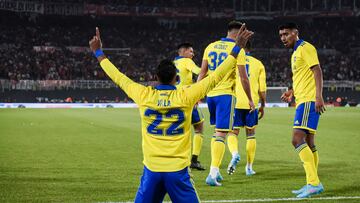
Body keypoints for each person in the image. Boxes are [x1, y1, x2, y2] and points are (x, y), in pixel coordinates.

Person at [89, 26, 253, 202]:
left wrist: (98, 52)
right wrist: (237, 48)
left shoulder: (144, 95)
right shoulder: (187, 95)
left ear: (155, 77)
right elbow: (215, 76)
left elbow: (118, 77)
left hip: (152, 170)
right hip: (178, 172)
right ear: (176, 78)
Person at [197, 21, 255, 186]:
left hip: (210, 95)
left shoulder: (211, 46)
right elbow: (244, 78)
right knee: (222, 134)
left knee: (217, 133)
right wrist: (250, 99)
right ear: (239, 34)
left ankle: (216, 172)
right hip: (225, 95)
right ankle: (213, 173)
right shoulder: (238, 50)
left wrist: (197, 94)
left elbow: (202, 73)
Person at [279, 23, 325, 198]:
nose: (283, 38)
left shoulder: (306, 48)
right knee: (310, 142)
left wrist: (318, 96)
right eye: (281, 35)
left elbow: (317, 70)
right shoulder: (295, 53)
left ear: (295, 33)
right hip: (302, 99)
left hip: (308, 101)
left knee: (296, 139)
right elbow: (302, 76)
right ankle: (311, 182)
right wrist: (292, 91)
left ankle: (314, 183)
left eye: (286, 34)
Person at [226, 41, 267, 176]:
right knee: (251, 134)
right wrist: (263, 105)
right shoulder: (258, 63)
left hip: (235, 102)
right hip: (252, 103)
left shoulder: (232, 61)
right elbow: (262, 89)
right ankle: (249, 167)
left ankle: (235, 154)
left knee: (233, 132)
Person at [174, 42, 205, 170]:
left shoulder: (173, 63)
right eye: (191, 51)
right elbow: (200, 71)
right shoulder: (187, 61)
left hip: (175, 99)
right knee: (199, 127)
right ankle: (193, 160)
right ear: (184, 51)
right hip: (187, 99)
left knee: (179, 129)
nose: (193, 54)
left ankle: (176, 159)